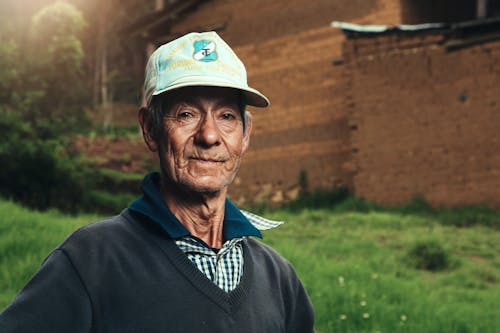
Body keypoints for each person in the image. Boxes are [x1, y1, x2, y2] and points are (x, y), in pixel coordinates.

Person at [0, 31, 314, 332]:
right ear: (150, 129)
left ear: (245, 136)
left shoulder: (279, 278)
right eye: (186, 114)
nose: (209, 136)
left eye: (226, 117)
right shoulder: (90, 261)